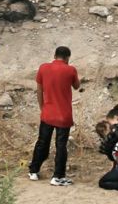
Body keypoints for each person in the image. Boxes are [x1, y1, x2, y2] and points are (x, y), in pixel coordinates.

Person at [28, 45, 81, 186]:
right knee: (61, 146)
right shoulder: (70, 70)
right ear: (67, 57)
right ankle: (57, 176)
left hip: (47, 113)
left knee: (42, 142)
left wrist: (42, 107)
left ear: (54, 55)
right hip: (64, 115)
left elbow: (39, 91)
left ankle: (33, 171)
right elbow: (77, 86)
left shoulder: (43, 68)